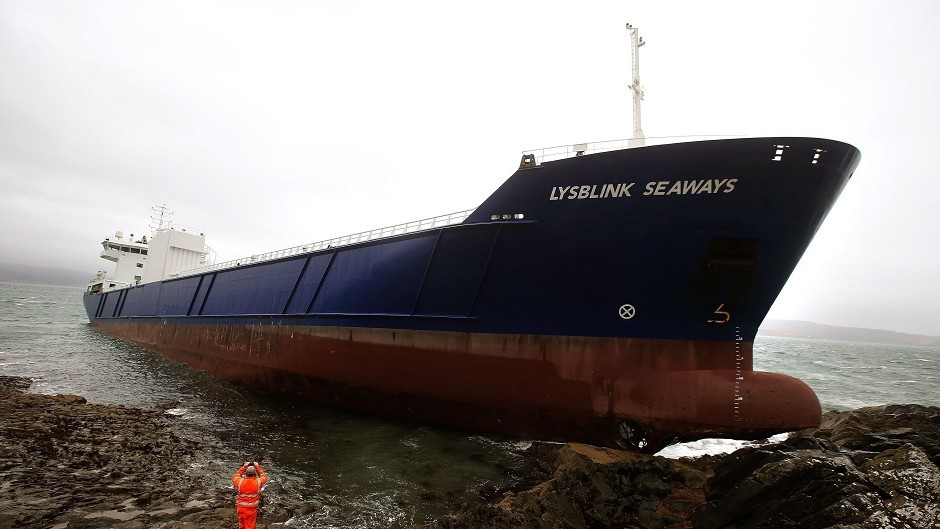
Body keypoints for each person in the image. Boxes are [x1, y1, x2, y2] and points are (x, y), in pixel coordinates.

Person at [232, 461, 268, 529]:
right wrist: (257, 466)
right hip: (251, 510)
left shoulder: (239, 482)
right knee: (250, 526)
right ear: (254, 474)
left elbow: (236, 475)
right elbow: (264, 476)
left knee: (241, 525)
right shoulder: (258, 482)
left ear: (245, 474)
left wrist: (244, 466)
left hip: (240, 508)